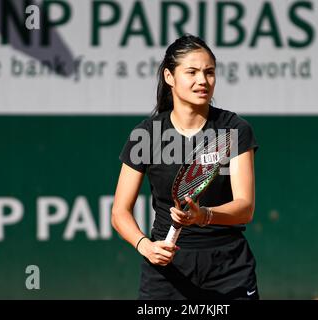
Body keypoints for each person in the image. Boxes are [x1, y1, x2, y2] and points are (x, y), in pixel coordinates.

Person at [111, 34, 259, 300]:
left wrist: (203, 216)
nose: (202, 80)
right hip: (167, 271)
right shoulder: (147, 134)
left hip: (228, 267)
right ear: (169, 77)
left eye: (209, 72)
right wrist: (144, 245)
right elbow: (119, 212)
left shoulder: (234, 130)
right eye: (191, 72)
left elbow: (245, 208)